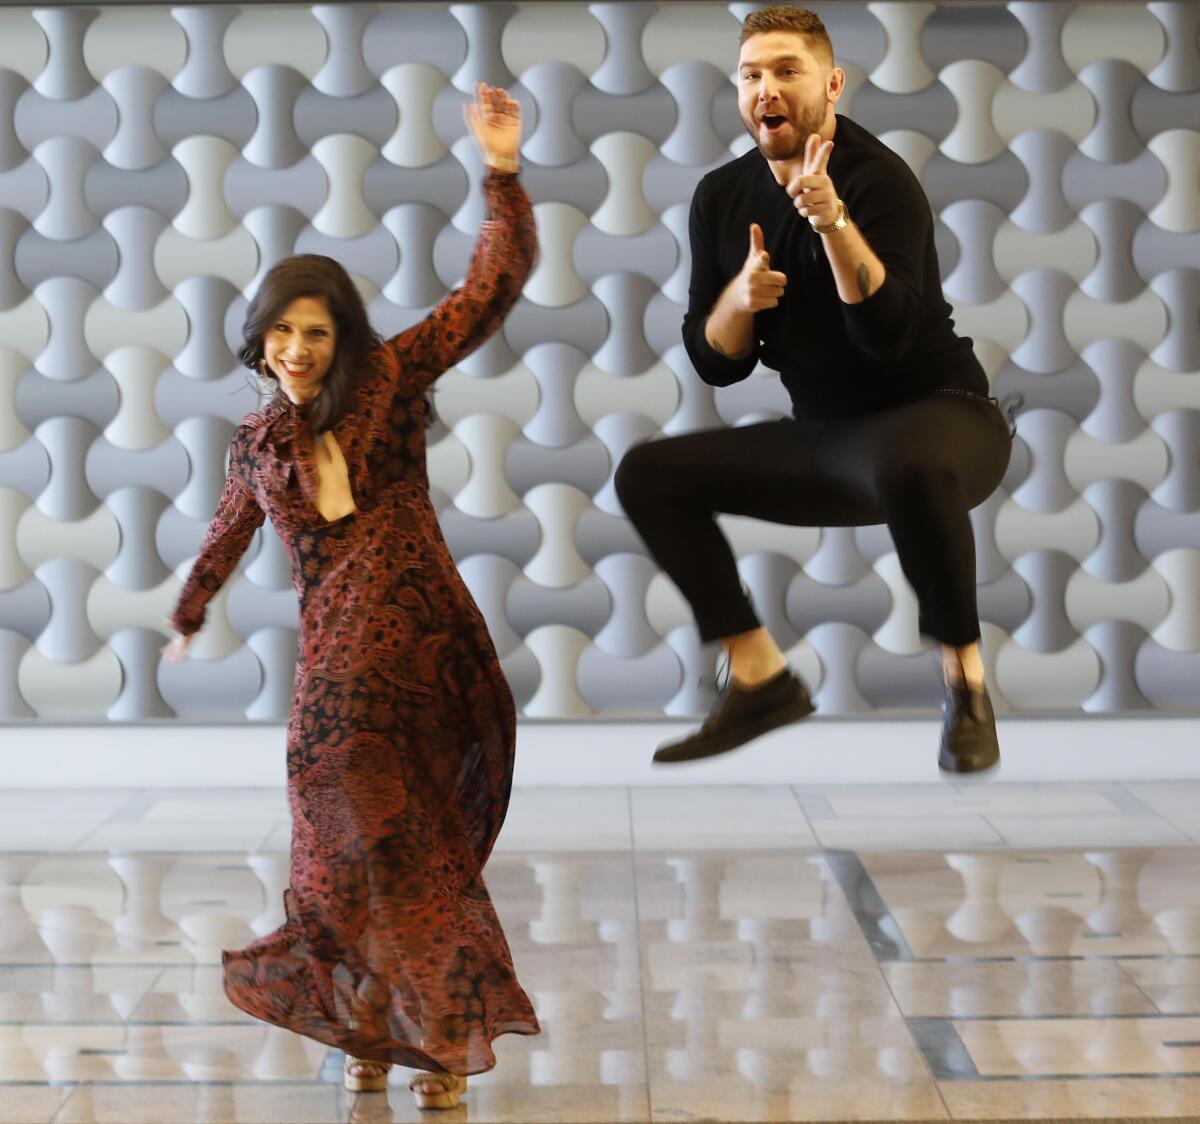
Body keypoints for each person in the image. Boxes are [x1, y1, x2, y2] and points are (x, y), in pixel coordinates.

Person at [162, 83, 539, 1108]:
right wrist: (188, 610)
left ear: (345, 340)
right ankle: (377, 1034)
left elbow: (488, 290)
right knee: (340, 864)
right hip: (332, 679)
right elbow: (229, 531)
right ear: (259, 336)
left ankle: (441, 1048)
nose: (296, 349)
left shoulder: (390, 380)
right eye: (281, 331)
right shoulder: (255, 440)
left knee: (412, 854)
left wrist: (501, 173)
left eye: (316, 332)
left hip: (421, 655)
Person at [615, 6, 1015, 774]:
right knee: (648, 474)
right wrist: (739, 299)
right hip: (829, 439)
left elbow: (887, 334)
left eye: (787, 71)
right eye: (752, 75)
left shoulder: (878, 179)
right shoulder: (721, 197)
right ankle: (760, 677)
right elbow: (717, 362)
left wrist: (833, 224)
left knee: (909, 459)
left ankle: (966, 686)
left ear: (830, 84)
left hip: (946, 418)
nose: (767, 88)